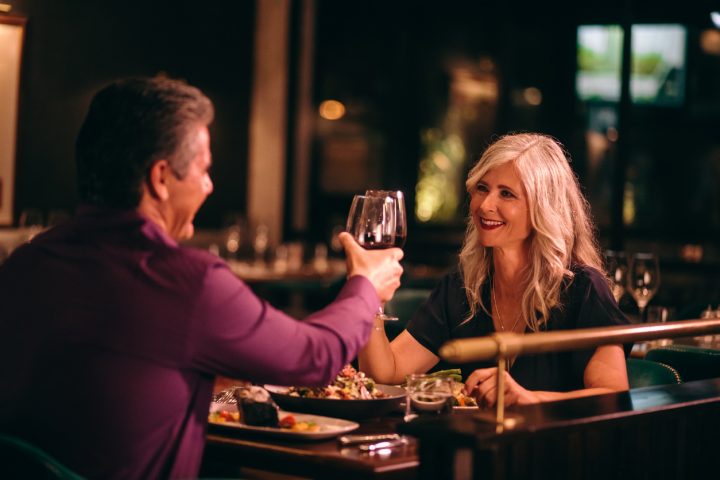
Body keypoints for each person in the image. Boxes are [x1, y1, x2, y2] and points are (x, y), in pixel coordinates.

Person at [0, 77, 403, 479]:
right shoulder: (185, 281)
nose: (209, 186)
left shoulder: (25, 264)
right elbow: (314, 359)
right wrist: (365, 286)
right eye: (203, 170)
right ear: (160, 178)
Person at [359, 132, 629, 408]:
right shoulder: (462, 287)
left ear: (544, 208)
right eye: (482, 188)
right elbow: (385, 373)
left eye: (507, 194)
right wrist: (368, 293)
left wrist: (528, 398)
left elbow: (613, 395)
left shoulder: (583, 289)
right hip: (477, 446)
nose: (486, 206)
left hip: (556, 447)